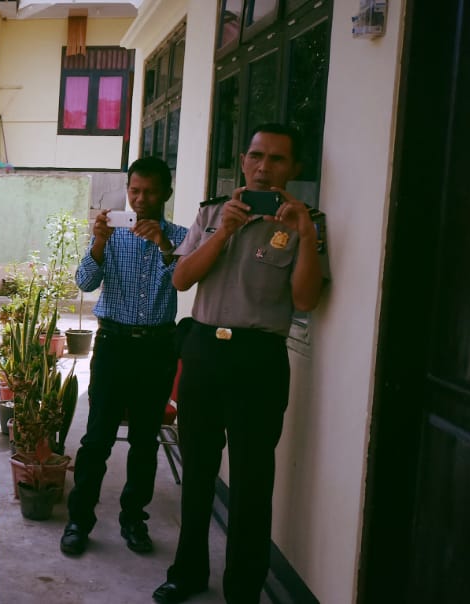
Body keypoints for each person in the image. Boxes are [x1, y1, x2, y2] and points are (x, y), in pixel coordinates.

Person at [152, 123, 329, 604]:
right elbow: (181, 279)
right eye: (256, 156)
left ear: (293, 169)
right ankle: (186, 573)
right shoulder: (212, 213)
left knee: (252, 483)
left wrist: (306, 234)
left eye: (276, 159)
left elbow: (307, 298)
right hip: (205, 352)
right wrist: (223, 233)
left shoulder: (304, 223)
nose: (264, 167)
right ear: (243, 161)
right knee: (199, 474)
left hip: (259, 360)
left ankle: (243, 591)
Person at [61, 156, 187, 558]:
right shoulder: (112, 232)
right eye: (134, 191)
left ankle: (134, 520)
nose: (141, 200)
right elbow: (84, 282)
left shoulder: (182, 237)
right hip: (113, 345)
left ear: (166, 192)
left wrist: (164, 246)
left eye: (150, 191)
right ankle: (80, 519)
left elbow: (186, 280)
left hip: (157, 347)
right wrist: (98, 241)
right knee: (96, 437)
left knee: (145, 441)